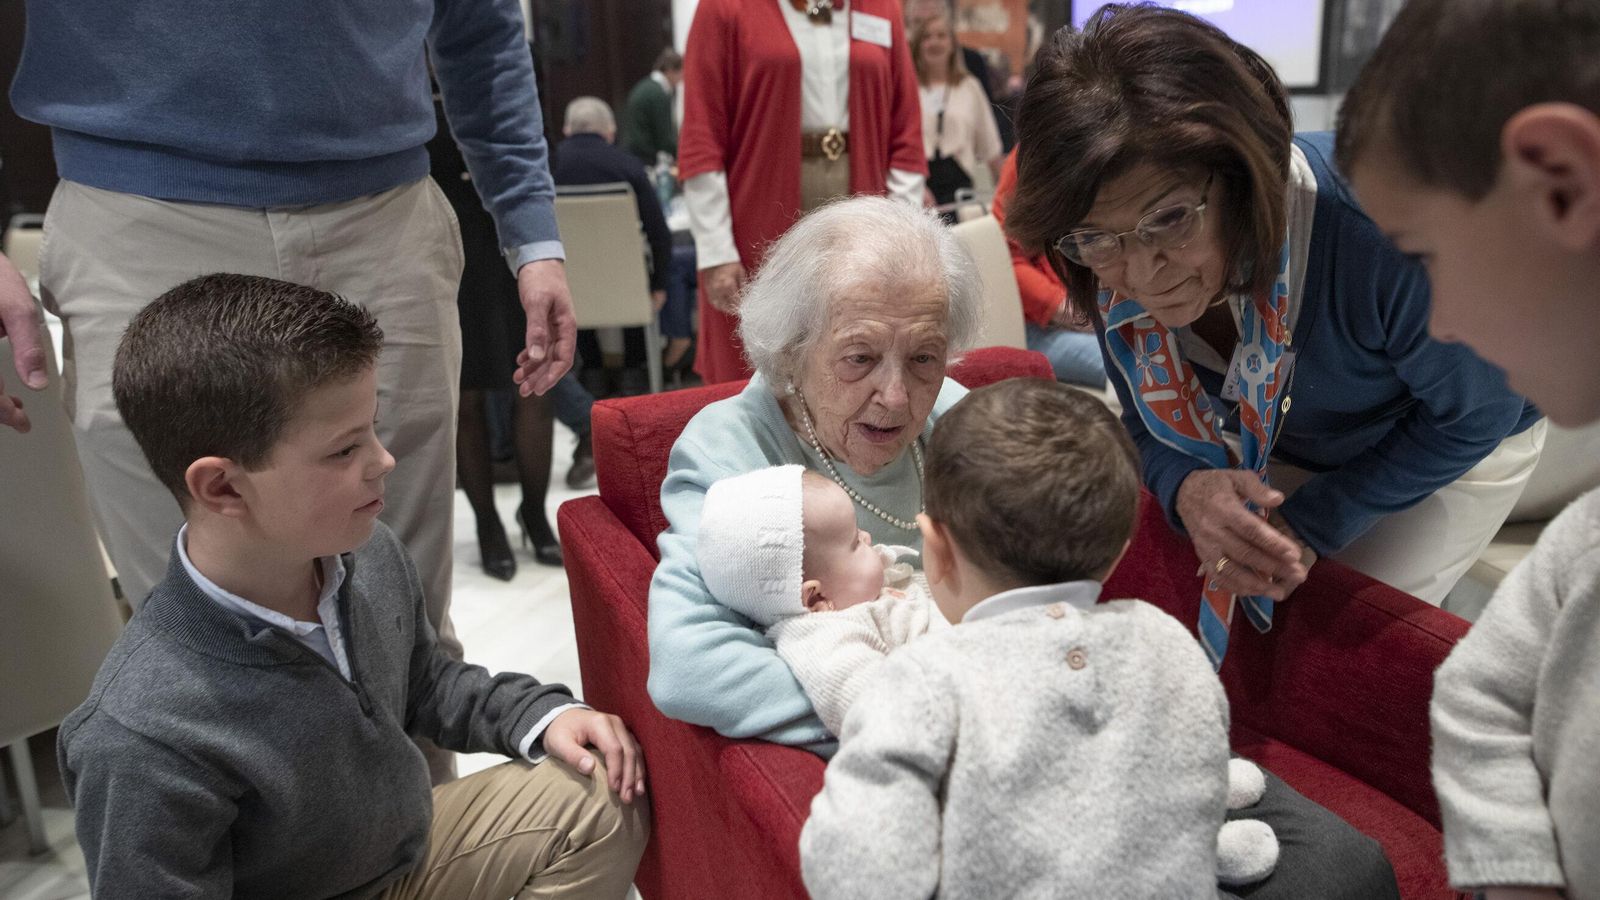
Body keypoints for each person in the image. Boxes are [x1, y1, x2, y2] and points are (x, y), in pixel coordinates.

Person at [645, 196, 1386, 896]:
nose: (900, 397)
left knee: (1345, 866)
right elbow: (691, 666)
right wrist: (945, 724)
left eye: (926, 358)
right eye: (860, 358)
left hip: (1057, 733)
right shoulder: (733, 450)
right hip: (957, 778)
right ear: (793, 347)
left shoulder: (956, 420)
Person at [0, 0, 577, 672]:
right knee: (193, 667)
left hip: (382, 213)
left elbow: (482, 25)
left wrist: (531, 229)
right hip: (136, 215)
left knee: (405, 653)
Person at [59, 274, 645, 898]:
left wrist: (539, 715)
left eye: (372, 428)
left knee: (604, 792)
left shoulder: (361, 552)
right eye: (343, 450)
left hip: (399, 858)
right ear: (223, 487)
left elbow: (426, 682)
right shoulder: (142, 733)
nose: (383, 460)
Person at [1004, 5, 1543, 635]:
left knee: (1335, 634)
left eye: (1172, 218)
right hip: (1291, 431)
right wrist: (1187, 489)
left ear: (1244, 175)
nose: (1143, 277)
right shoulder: (1099, 257)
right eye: (1098, 238)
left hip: (1455, 433)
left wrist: (1317, 521)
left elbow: (1477, 413)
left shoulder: (1377, 233)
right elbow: (1145, 425)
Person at [1335, 1, 1600, 897]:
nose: (1442, 318)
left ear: (1562, 184)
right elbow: (1482, 691)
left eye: (1426, 255)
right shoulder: (1581, 544)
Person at [799, 379, 1245, 898]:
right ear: (1120, 555)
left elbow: (856, 876)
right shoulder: (1171, 644)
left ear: (936, 550)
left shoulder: (921, 681)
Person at [678, 0, 927, 384]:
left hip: (860, 211)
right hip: (757, 212)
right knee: (760, 361)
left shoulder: (881, 8)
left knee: (858, 346)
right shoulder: (725, 9)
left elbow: (906, 131)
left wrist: (900, 231)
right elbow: (701, 137)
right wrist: (716, 249)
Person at [696, 465, 940, 735]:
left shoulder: (858, 592)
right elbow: (873, 705)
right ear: (816, 598)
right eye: (855, 543)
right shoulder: (823, 639)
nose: (868, 537)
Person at [427, 99, 563, 576]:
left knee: (535, 387)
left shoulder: (496, 69)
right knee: (464, 397)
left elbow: (534, 153)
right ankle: (487, 523)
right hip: (446, 250)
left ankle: (535, 512)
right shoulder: (405, 70)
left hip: (515, 245)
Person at [552, 97, 692, 387]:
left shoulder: (546, 168)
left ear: (567, 130)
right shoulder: (628, 167)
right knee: (635, 273)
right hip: (627, 292)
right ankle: (635, 373)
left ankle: (591, 371)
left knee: (571, 271)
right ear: (610, 131)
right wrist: (658, 287)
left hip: (569, 292)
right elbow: (659, 235)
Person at [990, 148, 1106, 387]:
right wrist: (1070, 310)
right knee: (1133, 363)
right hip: (1043, 326)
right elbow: (1007, 259)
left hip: (1094, 310)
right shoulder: (1030, 157)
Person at [911, 11, 1003, 207]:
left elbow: (990, 145)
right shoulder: (908, 88)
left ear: (952, 44)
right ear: (918, 45)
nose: (934, 42)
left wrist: (1006, 196)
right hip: (918, 192)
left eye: (941, 36)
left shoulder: (970, 87)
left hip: (960, 194)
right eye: (927, 37)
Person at [621, 48, 683, 167]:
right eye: (680, 73)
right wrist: (681, 155)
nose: (681, 79)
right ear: (670, 71)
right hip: (644, 156)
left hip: (632, 152)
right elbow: (664, 136)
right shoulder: (658, 93)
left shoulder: (646, 86)